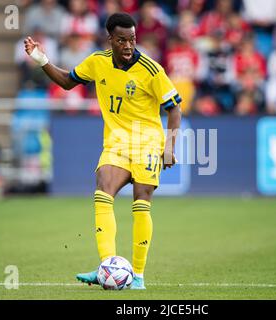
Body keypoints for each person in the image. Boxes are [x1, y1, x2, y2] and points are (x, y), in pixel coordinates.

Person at [24, 12, 182, 290]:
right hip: (117, 143)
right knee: (102, 190)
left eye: (132, 39)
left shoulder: (151, 70)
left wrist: (169, 147)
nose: (128, 45)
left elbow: (174, 108)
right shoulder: (98, 62)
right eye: (122, 40)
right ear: (110, 39)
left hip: (147, 143)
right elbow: (67, 82)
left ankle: (139, 276)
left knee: (141, 201)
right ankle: (108, 267)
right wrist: (42, 61)